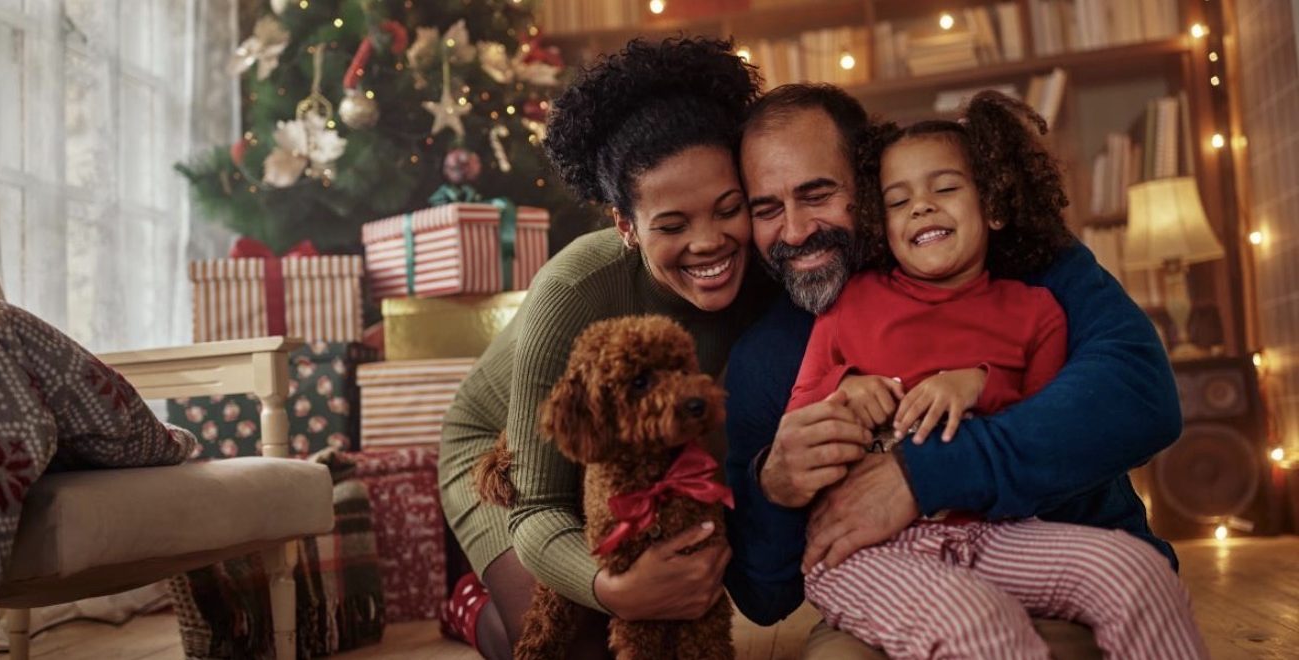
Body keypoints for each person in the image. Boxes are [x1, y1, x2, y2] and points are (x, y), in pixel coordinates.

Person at [722, 83, 1185, 651]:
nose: (794, 231)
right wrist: (775, 487)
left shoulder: (1019, 260)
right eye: (767, 209)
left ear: (868, 181)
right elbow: (763, 597)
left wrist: (921, 474)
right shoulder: (766, 355)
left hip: (1050, 551)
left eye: (818, 194)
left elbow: (1141, 395)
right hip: (887, 581)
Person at [437, 37, 770, 659]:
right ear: (625, 224)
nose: (710, 244)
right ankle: (472, 608)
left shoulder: (767, 273)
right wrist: (613, 589)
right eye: (672, 226)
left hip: (639, 456)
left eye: (729, 210)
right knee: (569, 642)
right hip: (507, 457)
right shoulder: (575, 287)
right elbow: (537, 503)